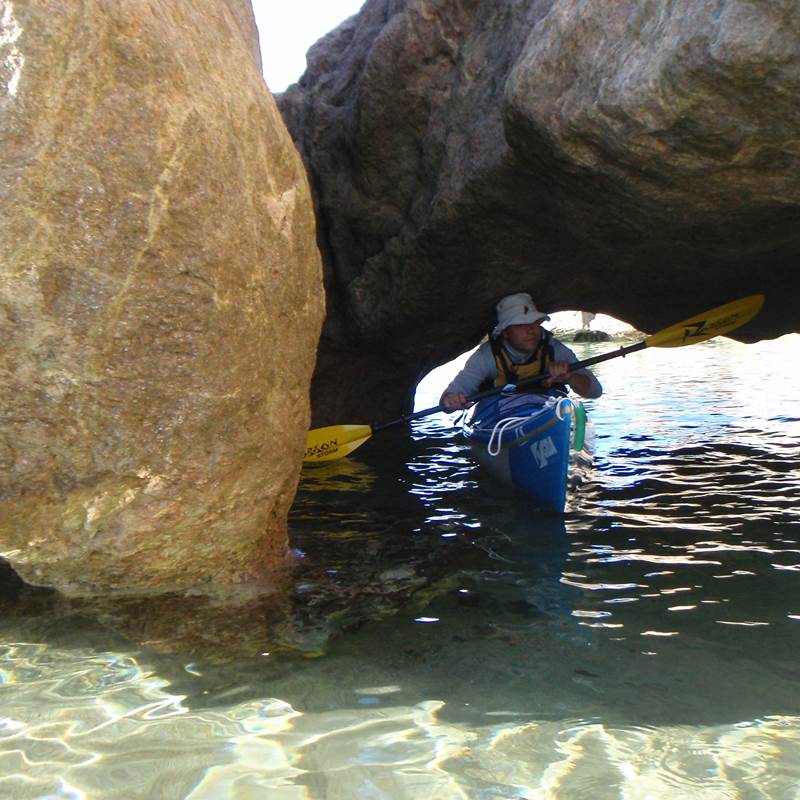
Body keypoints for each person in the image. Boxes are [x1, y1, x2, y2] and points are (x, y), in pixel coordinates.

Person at [440, 292, 603, 411]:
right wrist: (450, 400)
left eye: (534, 323)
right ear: (505, 332)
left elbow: (595, 391)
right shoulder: (486, 357)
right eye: (520, 325)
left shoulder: (554, 350)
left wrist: (570, 377)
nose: (531, 330)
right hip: (498, 415)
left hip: (545, 409)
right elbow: (451, 396)